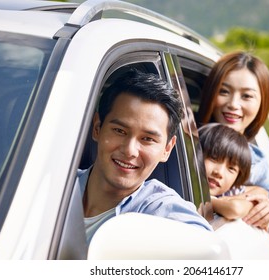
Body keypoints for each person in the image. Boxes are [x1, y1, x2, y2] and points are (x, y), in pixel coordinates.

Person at [78, 69, 213, 244]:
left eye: (148, 139)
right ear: (97, 128)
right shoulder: (54, 187)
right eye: (120, 131)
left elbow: (208, 253)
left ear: (167, 149)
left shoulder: (161, 211)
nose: (130, 150)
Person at [197, 51, 269, 255]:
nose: (234, 104)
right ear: (211, 93)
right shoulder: (185, 138)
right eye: (224, 91)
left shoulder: (256, 163)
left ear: (262, 103)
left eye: (247, 96)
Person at [198, 123, 268, 221]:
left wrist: (234, 198)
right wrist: (212, 202)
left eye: (231, 168)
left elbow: (262, 192)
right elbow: (234, 209)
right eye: (214, 158)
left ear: (237, 177)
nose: (219, 173)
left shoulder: (229, 192)